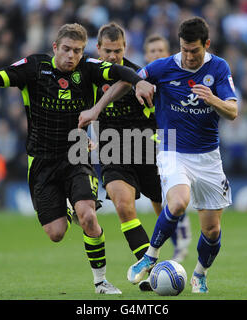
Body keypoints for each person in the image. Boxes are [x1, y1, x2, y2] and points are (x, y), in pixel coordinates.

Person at [0, 23, 154, 295]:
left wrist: (139, 81)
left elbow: (120, 71)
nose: (72, 56)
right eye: (67, 49)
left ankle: (101, 282)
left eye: (78, 51)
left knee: (89, 215)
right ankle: (66, 211)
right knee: (56, 233)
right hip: (42, 160)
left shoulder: (88, 69)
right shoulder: (34, 67)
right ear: (55, 47)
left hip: (77, 153)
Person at [79, 17, 238, 293]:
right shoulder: (163, 67)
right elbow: (127, 81)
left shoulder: (219, 68)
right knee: (176, 203)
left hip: (208, 156)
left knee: (211, 231)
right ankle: (149, 256)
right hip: (172, 151)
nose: (189, 57)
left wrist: (212, 99)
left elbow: (233, 112)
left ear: (207, 45)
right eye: (184, 50)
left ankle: (200, 273)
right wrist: (97, 109)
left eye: (195, 51)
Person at [92, 22, 162, 292]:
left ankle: (174, 252)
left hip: (146, 150)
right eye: (107, 51)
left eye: (117, 51)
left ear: (125, 49)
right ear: (98, 49)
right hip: (113, 153)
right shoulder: (87, 74)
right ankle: (150, 269)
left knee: (167, 209)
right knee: (123, 206)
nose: (112, 57)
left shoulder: (137, 76)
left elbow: (159, 114)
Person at [143, 33, 193, 264]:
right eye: (151, 52)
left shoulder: (174, 78)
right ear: (146, 55)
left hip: (171, 142)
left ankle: (178, 243)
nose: (155, 55)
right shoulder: (140, 82)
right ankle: (176, 236)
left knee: (168, 196)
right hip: (144, 142)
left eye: (160, 51)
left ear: (168, 54)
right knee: (158, 201)